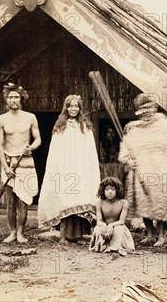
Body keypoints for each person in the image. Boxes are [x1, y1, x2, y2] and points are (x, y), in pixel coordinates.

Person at [118, 93, 167, 247]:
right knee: (143, 203)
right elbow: (124, 150)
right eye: (143, 110)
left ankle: (161, 235)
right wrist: (128, 161)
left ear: (154, 109)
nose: (146, 113)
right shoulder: (133, 129)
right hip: (139, 171)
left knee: (158, 203)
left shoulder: (164, 126)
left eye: (149, 109)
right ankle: (150, 234)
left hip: (160, 172)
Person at [38, 95, 100, 243]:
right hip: (65, 167)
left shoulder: (85, 126)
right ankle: (64, 235)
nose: (73, 109)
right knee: (65, 198)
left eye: (76, 106)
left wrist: (87, 166)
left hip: (80, 167)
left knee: (79, 198)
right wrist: (58, 166)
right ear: (66, 108)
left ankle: (79, 234)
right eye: (71, 106)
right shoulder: (60, 125)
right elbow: (55, 149)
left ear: (80, 108)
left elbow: (90, 150)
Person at [0, 83, 41, 243]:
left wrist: (31, 148)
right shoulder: (1, 119)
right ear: (6, 100)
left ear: (21, 98)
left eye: (16, 96)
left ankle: (21, 233)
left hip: (26, 161)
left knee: (23, 200)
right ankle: (12, 232)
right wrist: (5, 167)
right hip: (9, 162)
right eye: (10, 97)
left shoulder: (30, 117)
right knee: (10, 201)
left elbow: (38, 139)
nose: (13, 100)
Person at [89, 177, 135, 256]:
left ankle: (115, 247)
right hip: (104, 227)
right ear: (103, 190)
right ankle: (102, 246)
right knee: (98, 228)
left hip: (118, 226)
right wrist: (104, 225)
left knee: (118, 228)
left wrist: (111, 225)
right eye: (107, 189)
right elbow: (99, 221)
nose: (110, 192)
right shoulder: (100, 203)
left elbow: (121, 221)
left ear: (117, 190)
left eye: (113, 189)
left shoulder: (123, 203)